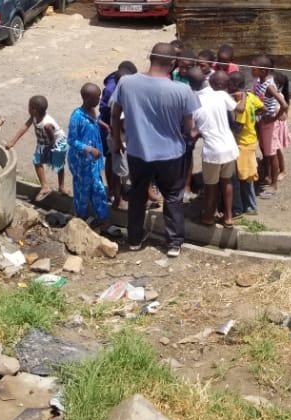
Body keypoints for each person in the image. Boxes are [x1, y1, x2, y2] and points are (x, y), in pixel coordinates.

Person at [109, 42, 199, 258]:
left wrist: (117, 141)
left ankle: (134, 239)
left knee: (138, 195)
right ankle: (174, 243)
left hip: (138, 151)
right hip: (171, 154)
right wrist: (194, 134)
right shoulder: (182, 90)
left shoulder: (127, 83)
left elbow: (114, 114)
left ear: (150, 58)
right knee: (173, 197)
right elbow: (188, 127)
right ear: (172, 63)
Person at [188, 67, 238, 228]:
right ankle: (228, 217)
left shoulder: (193, 102)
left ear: (191, 84)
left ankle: (208, 217)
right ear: (206, 80)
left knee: (211, 187)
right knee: (227, 181)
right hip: (229, 146)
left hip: (213, 151)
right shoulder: (221, 95)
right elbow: (235, 108)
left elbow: (191, 131)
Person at [6, 95, 69, 202]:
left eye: (29, 107)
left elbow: (52, 141)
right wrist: (13, 141)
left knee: (59, 164)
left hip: (56, 142)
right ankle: (45, 187)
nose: (28, 108)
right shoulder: (35, 116)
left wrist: (45, 153)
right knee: (37, 161)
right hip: (44, 141)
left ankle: (61, 186)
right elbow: (25, 126)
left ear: (34, 110)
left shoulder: (47, 125)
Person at [66, 84, 109, 225]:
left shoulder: (92, 111)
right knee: (82, 191)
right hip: (81, 163)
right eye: (98, 97)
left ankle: (102, 218)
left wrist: (106, 126)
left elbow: (95, 121)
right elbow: (72, 141)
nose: (99, 99)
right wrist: (89, 149)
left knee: (98, 188)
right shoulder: (77, 117)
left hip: (93, 161)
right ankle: (81, 219)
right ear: (88, 98)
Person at [249, 55, 289, 196]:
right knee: (266, 152)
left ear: (263, 71)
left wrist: (274, 119)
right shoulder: (259, 81)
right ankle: (268, 177)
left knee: (272, 155)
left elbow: (284, 105)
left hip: (269, 126)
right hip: (262, 122)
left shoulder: (269, 86)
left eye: (254, 69)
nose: (251, 71)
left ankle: (274, 185)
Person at [99, 61, 137, 208]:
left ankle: (118, 193)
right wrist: (117, 140)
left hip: (119, 136)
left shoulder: (122, 91)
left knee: (120, 167)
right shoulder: (115, 94)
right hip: (117, 137)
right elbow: (115, 119)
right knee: (116, 167)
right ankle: (116, 196)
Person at [229, 71, 263, 218]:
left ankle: (249, 207)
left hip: (242, 144)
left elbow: (238, 127)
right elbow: (263, 108)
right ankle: (248, 205)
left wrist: (228, 129)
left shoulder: (239, 103)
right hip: (251, 140)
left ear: (235, 85)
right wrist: (254, 119)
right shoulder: (251, 96)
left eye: (230, 83)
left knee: (243, 177)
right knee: (247, 175)